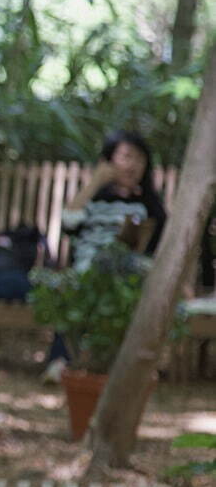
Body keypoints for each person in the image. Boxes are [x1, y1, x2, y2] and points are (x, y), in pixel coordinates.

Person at [40, 129, 168, 382]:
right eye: (126, 157)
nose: (133, 165)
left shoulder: (148, 205)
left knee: (108, 276)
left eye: (140, 159)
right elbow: (68, 225)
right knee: (79, 286)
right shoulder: (92, 199)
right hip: (87, 271)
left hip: (127, 272)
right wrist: (95, 182)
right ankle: (60, 361)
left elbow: (155, 249)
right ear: (108, 161)